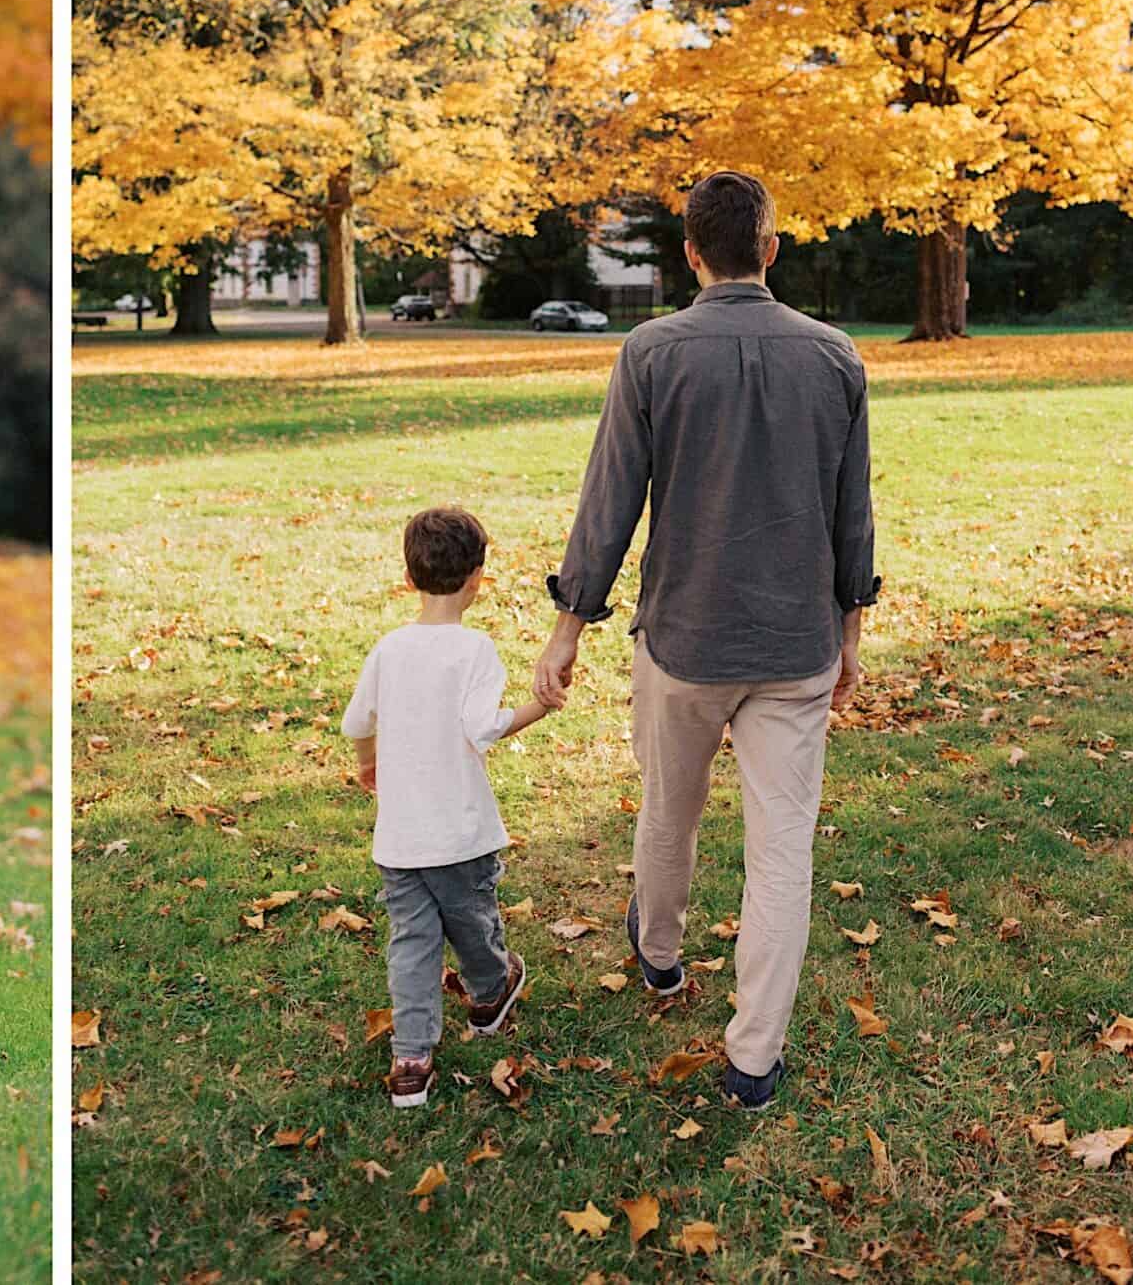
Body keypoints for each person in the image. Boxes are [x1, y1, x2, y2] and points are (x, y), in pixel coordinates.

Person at [534, 171, 880, 1112]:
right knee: (781, 851)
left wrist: (570, 625)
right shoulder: (835, 354)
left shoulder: (653, 351)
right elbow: (857, 516)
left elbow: (608, 502)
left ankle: (658, 953)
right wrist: (852, 628)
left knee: (669, 809)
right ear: (769, 250)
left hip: (683, 638)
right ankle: (754, 1056)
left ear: (691, 254)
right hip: (795, 644)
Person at [342, 506, 563, 1110]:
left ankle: (411, 1060)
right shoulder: (473, 650)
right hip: (460, 835)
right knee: (471, 923)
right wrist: (539, 709)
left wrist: (370, 761)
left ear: (408, 578)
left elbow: (357, 720)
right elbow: (482, 727)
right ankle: (490, 993)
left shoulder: (388, 650)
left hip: (399, 841)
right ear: (477, 579)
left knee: (411, 940)